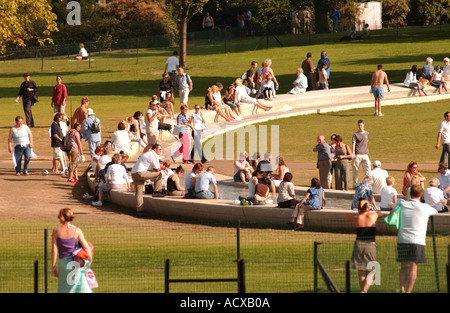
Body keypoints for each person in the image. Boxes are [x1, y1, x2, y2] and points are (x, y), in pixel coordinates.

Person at [394, 184, 437, 293]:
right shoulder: (424, 207)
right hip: (417, 240)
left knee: (403, 266)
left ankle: (402, 288)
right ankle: (408, 291)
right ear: (421, 194)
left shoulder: (402, 205)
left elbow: (393, 207)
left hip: (402, 239)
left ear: (410, 193)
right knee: (413, 267)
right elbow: (435, 211)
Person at [51, 208, 93, 293]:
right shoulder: (77, 230)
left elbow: (54, 250)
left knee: (64, 289)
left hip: (63, 263)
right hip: (75, 263)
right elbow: (86, 247)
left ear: (62, 217)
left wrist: (53, 265)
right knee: (79, 288)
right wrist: (90, 260)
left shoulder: (56, 231)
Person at [345, 200, 382, 293]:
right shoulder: (373, 216)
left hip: (359, 245)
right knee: (372, 270)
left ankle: (363, 290)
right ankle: (364, 290)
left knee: (361, 271)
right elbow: (380, 213)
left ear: (359, 208)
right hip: (370, 245)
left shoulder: (357, 218)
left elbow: (347, 216)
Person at [131, 144, 165, 217]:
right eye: (160, 149)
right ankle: (157, 191)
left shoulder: (147, 153)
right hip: (141, 173)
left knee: (139, 192)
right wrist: (164, 167)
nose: (160, 151)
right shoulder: (154, 155)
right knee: (159, 174)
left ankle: (139, 211)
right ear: (155, 149)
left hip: (134, 173)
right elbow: (157, 169)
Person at [352, 120, 371, 189]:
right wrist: (353, 153)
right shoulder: (355, 134)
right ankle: (354, 184)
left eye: (361, 125)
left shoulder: (367, 133)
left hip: (365, 154)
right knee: (355, 170)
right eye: (359, 125)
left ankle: (368, 184)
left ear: (363, 125)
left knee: (368, 170)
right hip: (358, 154)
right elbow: (353, 143)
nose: (360, 127)